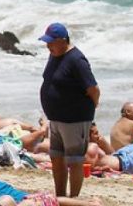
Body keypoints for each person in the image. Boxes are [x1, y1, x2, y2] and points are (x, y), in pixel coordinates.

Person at [39, 22, 100, 198]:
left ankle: (74, 199)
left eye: (51, 42)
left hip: (74, 120)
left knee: (74, 161)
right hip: (56, 119)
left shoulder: (76, 60)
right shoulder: (54, 55)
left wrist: (89, 110)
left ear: (63, 40)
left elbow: (93, 90)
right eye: (47, 42)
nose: (48, 46)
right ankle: (60, 197)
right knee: (56, 158)